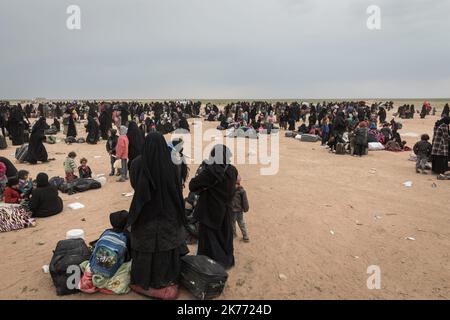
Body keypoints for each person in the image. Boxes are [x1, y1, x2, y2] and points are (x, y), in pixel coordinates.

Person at [127, 132, 188, 300]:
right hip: (168, 210)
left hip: (144, 209)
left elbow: (135, 185)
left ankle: (144, 281)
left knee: (145, 245)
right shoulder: (172, 162)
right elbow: (177, 184)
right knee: (166, 244)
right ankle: (166, 279)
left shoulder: (137, 163)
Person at [189, 145, 238, 269]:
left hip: (209, 211)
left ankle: (211, 264)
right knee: (224, 236)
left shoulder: (211, 171)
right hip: (226, 210)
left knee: (209, 240)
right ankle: (226, 261)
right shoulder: (233, 170)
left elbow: (192, 186)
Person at [231, 175, 250, 242]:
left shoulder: (230, 190)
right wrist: (246, 208)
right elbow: (245, 201)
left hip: (233, 210)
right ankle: (245, 236)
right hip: (239, 210)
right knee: (241, 222)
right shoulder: (242, 190)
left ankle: (234, 234)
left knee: (232, 223)